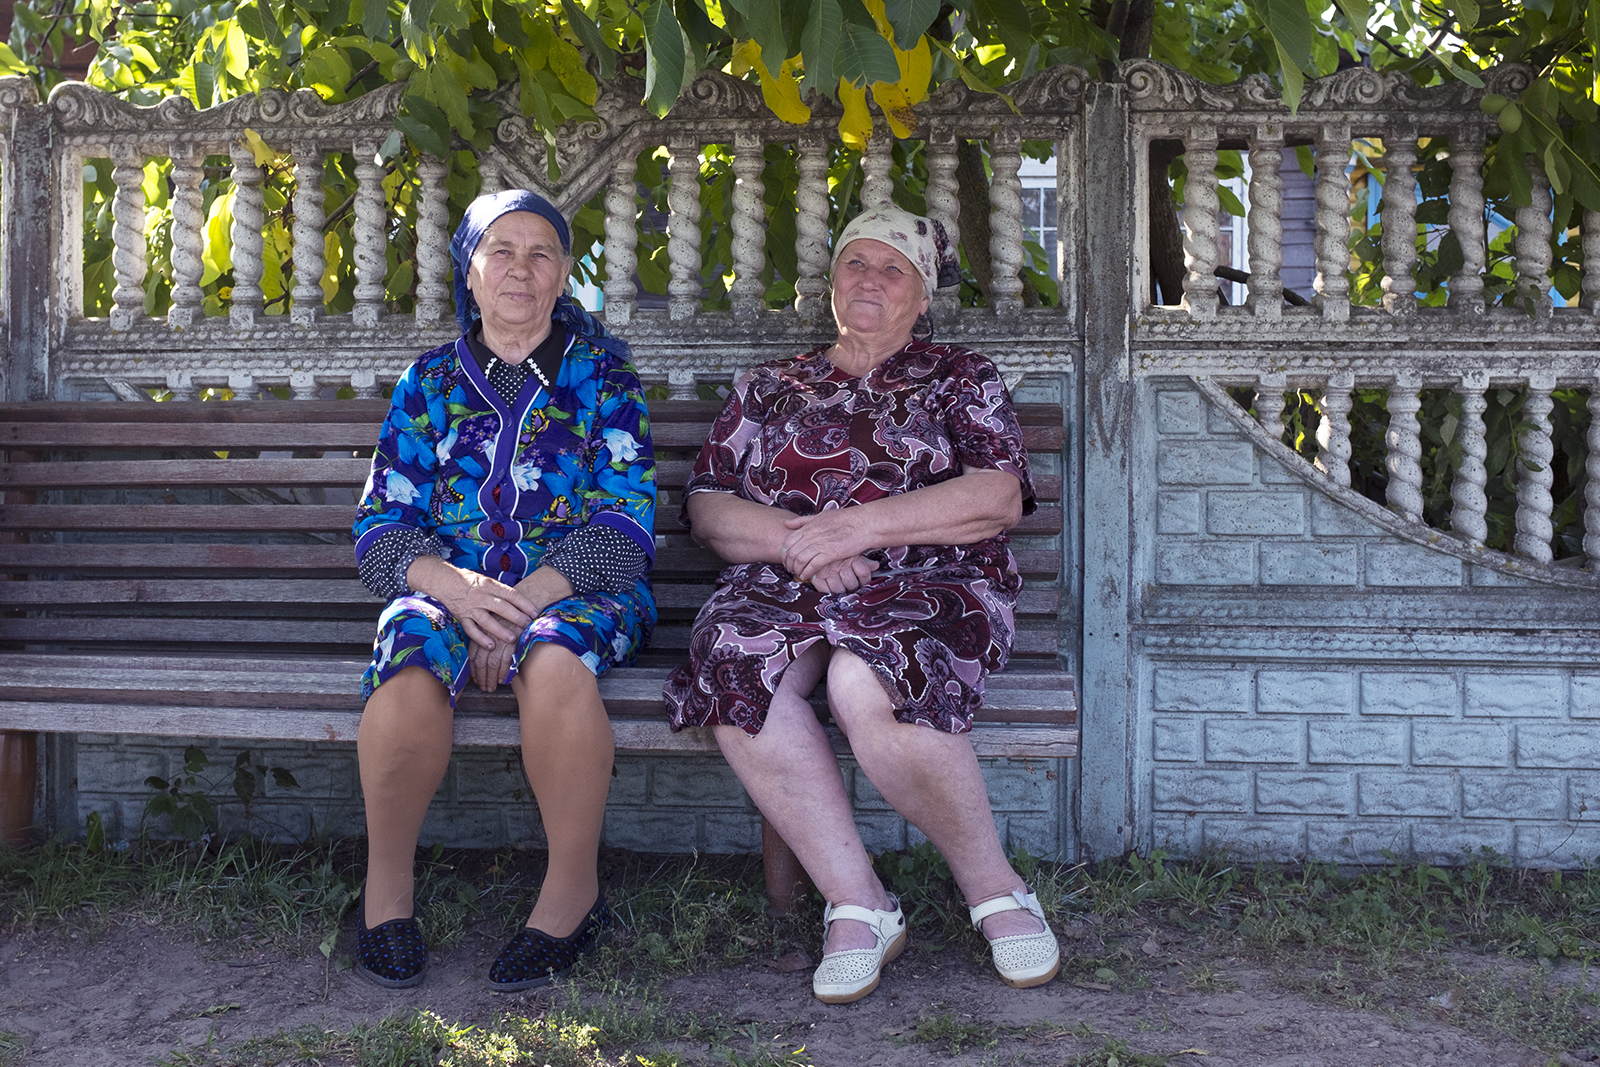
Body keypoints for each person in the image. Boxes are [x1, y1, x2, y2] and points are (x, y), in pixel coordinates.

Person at [662, 204, 1061, 1004]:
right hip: (786, 576)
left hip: (933, 578)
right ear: (832, 280)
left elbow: (996, 495)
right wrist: (804, 546)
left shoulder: (960, 377)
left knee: (865, 678)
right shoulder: (771, 385)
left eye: (894, 269)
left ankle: (995, 888)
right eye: (856, 262)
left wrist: (855, 528)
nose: (871, 280)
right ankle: (859, 902)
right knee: (735, 663)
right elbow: (708, 506)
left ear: (923, 294)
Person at [351, 189, 656, 992]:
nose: (521, 269)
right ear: (471, 272)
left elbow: (625, 525)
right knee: (410, 648)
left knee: (553, 658)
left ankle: (572, 894)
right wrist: (458, 593)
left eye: (541, 253)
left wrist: (518, 610)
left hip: (580, 592)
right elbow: (382, 526)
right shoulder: (427, 381)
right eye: (502, 251)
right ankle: (385, 894)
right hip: (450, 592)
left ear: (562, 276)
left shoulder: (605, 379)